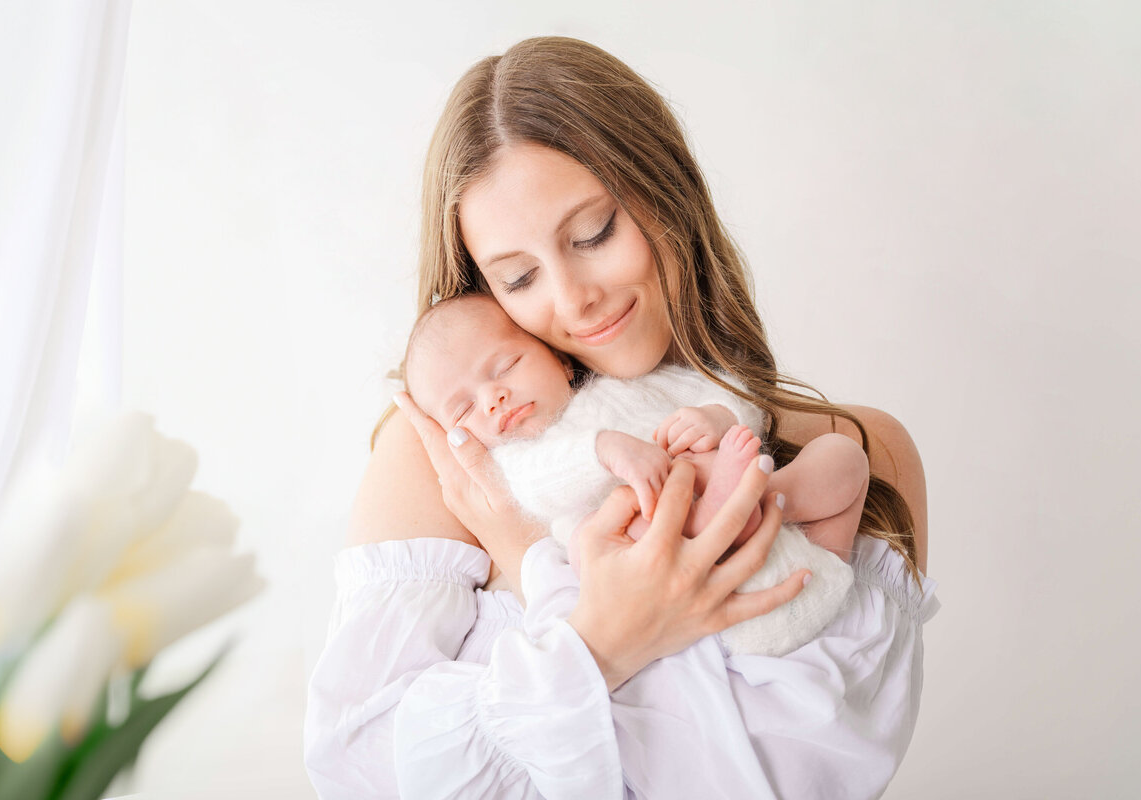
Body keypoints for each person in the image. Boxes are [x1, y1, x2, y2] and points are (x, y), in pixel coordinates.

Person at [305, 36, 937, 799]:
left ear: (667, 194)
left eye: (594, 234)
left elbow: (819, 766)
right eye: (519, 276)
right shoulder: (444, 457)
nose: (574, 300)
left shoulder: (856, 447)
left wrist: (527, 556)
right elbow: (361, 773)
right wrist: (597, 636)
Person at [402, 292, 860, 657]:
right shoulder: (519, 458)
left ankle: (773, 495)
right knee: (590, 544)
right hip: (667, 573)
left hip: (801, 572)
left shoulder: (634, 385)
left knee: (844, 453)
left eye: (506, 366)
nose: (493, 399)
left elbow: (732, 393)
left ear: (559, 358)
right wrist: (603, 449)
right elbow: (535, 485)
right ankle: (713, 514)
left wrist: (716, 415)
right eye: (464, 409)